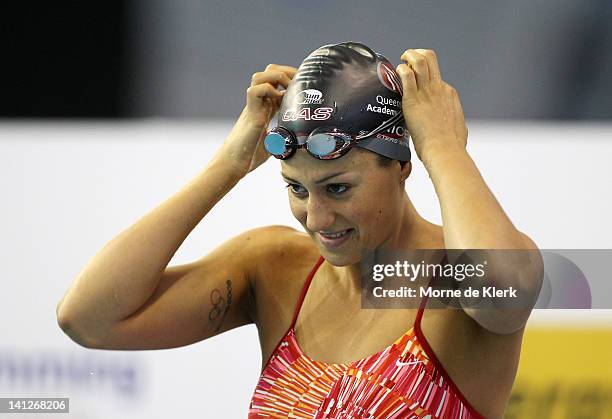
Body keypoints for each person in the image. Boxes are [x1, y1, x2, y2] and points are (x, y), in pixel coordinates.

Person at [56, 42, 542, 418]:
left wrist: (442, 148)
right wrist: (228, 165)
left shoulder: (453, 279)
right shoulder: (275, 268)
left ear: (401, 166)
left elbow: (504, 290)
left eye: (337, 188)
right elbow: (89, 319)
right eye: (297, 189)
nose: (317, 220)